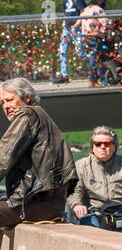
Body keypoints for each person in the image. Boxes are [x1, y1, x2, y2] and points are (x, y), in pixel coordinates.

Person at [0, 78, 76, 231]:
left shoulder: (28, 114)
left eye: (9, 100)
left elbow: (3, 157)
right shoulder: (39, 116)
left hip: (38, 203)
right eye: (2, 103)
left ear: (26, 97)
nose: (6, 106)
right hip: (46, 203)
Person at [70, 126, 122, 229]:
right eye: (98, 144)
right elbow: (75, 190)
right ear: (92, 147)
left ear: (114, 147)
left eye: (107, 144)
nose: (102, 147)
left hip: (119, 214)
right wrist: (77, 205)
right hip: (94, 215)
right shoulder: (81, 166)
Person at [55, 0, 86, 84]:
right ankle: (64, 75)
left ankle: (94, 68)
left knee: (80, 51)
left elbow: (83, 12)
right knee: (62, 51)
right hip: (67, 28)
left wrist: (78, 23)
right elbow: (65, 13)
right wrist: (64, 23)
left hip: (76, 28)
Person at [78, 0, 110, 87]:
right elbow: (105, 23)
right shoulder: (99, 10)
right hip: (94, 37)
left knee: (91, 58)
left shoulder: (86, 9)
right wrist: (102, 32)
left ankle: (94, 78)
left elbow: (79, 21)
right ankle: (93, 80)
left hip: (84, 36)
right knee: (94, 58)